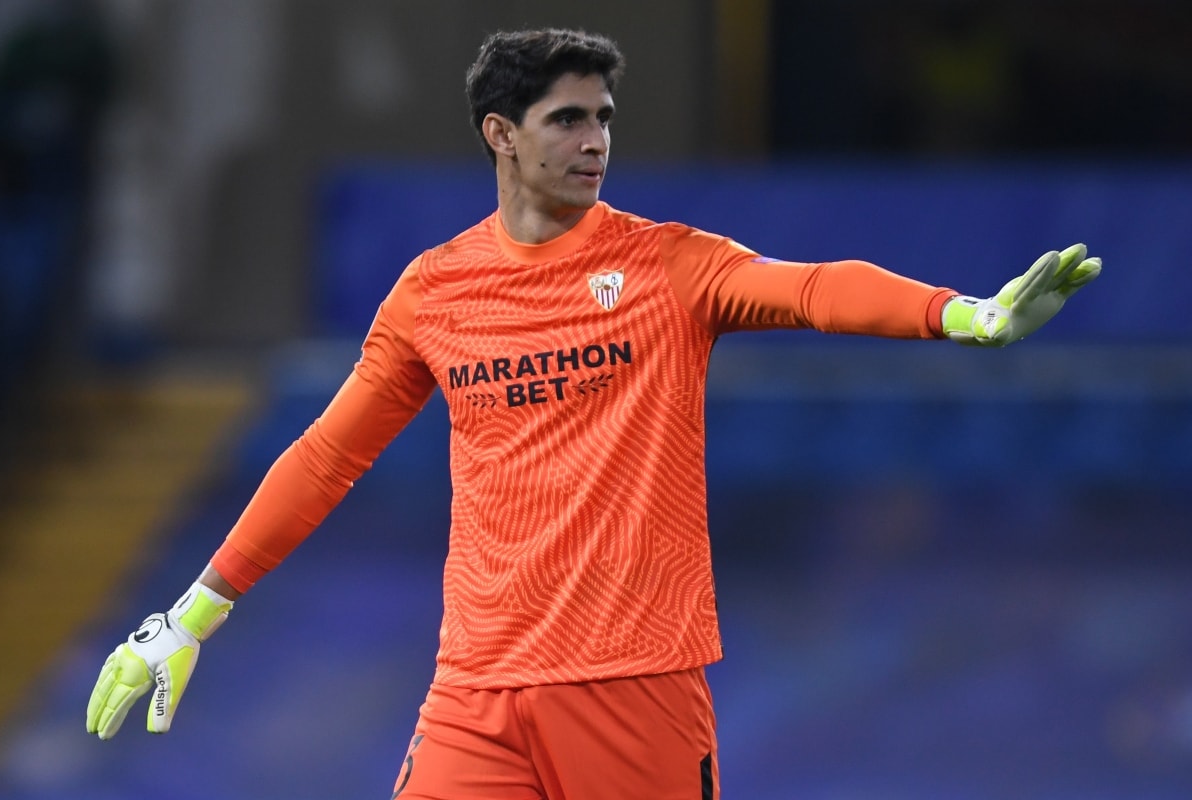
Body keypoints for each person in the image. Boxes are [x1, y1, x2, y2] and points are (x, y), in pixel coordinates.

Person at [86, 27, 1101, 799]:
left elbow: (811, 286)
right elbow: (325, 456)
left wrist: (961, 314)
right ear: (501, 134)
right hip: (477, 691)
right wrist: (192, 614)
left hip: (636, 686)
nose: (595, 140)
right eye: (568, 119)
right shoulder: (435, 290)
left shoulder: (666, 264)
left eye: (604, 117)